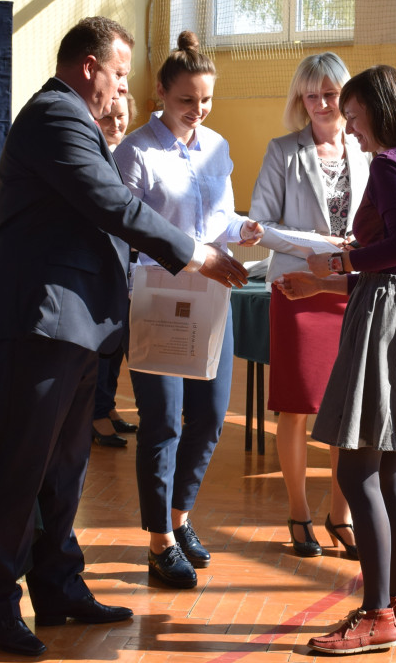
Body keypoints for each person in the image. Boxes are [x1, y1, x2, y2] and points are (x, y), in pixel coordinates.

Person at [0, 17, 249, 657]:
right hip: (42, 321)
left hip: (79, 324)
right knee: (22, 468)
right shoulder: (55, 116)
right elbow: (111, 206)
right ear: (90, 66)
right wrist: (194, 255)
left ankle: (60, 588)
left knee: (64, 470)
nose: (122, 90)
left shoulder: (80, 123)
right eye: (120, 74)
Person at [276, 65, 396, 654]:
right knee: (391, 468)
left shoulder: (388, 164)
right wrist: (325, 284)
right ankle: (394, 603)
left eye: (354, 118)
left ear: (381, 111)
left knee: (357, 469)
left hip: (385, 318)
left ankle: (376, 611)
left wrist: (335, 264)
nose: (349, 130)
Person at [113, 30, 262, 591]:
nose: (197, 111)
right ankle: (159, 542)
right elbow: (123, 230)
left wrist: (240, 228)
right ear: (160, 92)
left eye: (206, 101)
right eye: (186, 101)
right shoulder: (135, 152)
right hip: (158, 298)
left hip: (212, 296)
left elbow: (217, 220)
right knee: (162, 422)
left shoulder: (217, 147)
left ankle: (179, 518)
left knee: (211, 414)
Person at [249, 53, 369, 559]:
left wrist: (350, 256)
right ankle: (298, 512)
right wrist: (320, 249)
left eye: (331, 93)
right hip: (298, 289)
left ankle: (339, 514)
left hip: (350, 290)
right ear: (300, 99)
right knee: (296, 407)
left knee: (349, 407)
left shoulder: (368, 151)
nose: (321, 103)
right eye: (311, 94)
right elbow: (259, 227)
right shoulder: (283, 152)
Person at [92, 92, 139, 449]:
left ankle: (106, 406)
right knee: (101, 346)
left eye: (121, 117)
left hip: (127, 267)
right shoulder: (95, 156)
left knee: (117, 346)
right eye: (108, 118)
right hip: (100, 268)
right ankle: (93, 413)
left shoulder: (124, 155)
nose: (116, 124)